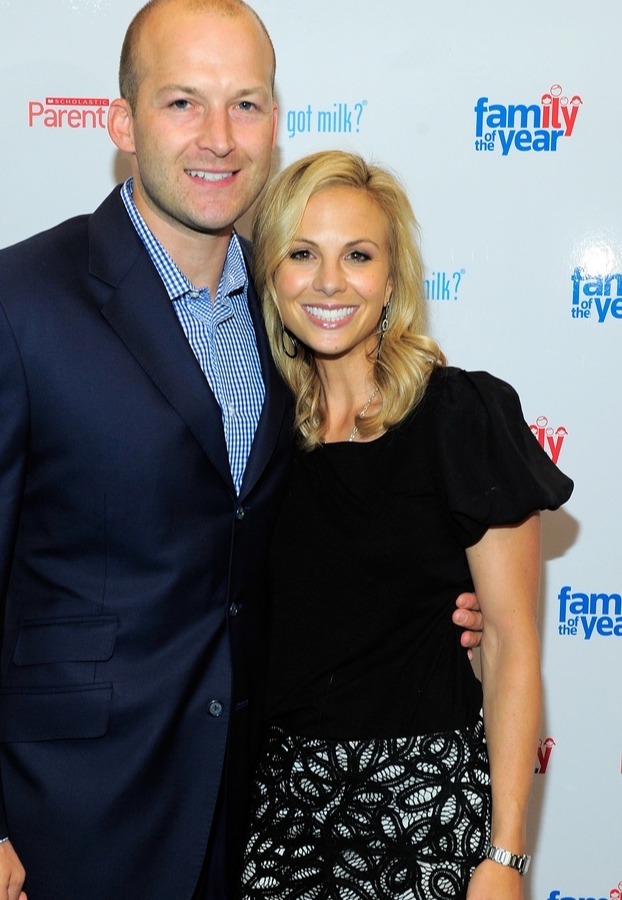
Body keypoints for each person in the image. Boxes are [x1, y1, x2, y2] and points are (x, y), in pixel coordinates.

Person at [0, 0, 483, 900]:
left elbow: (317, 518)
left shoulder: (293, 315)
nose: (219, 137)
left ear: (275, 122)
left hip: (261, 816)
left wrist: (438, 610)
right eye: (182, 103)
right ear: (122, 121)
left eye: (245, 104)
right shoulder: (6, 309)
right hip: (67, 821)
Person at [240, 150, 573, 900]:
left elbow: (514, 647)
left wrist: (507, 856)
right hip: (280, 821)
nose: (329, 281)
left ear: (392, 281)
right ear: (272, 277)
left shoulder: (460, 417)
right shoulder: (260, 437)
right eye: (302, 253)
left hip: (427, 812)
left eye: (358, 255)